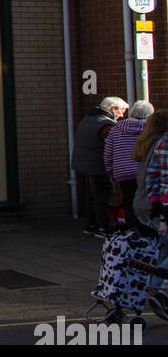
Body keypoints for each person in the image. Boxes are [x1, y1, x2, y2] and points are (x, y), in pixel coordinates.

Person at [71, 96, 128, 237]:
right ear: (113, 109)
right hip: (99, 166)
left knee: (92, 195)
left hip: (85, 166)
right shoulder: (106, 124)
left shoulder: (87, 120)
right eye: (121, 111)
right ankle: (103, 227)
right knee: (103, 196)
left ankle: (90, 225)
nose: (122, 115)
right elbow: (113, 146)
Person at [133, 109, 168, 321]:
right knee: (163, 251)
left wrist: (157, 203)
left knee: (161, 249)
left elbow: (152, 174)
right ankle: (157, 291)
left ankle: (156, 289)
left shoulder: (158, 142)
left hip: (152, 204)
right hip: (156, 207)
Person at [103, 101, 154, 227]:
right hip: (144, 172)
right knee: (146, 199)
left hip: (123, 171)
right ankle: (144, 227)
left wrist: (111, 172)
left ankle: (131, 227)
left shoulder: (116, 128)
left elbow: (108, 152)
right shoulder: (150, 131)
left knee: (128, 198)